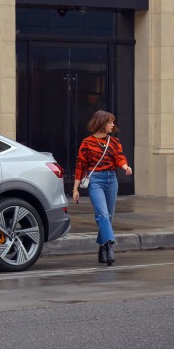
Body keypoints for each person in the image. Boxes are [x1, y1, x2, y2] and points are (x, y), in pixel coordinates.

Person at [72, 110, 133, 266]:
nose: (113, 125)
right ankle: (110, 244)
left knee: (108, 216)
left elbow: (120, 157)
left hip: (111, 180)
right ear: (101, 123)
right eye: (110, 122)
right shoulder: (87, 143)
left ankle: (102, 246)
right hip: (95, 181)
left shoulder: (114, 142)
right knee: (103, 214)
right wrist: (75, 189)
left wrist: (125, 167)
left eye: (113, 122)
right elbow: (80, 166)